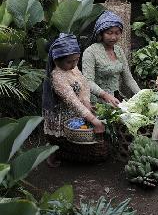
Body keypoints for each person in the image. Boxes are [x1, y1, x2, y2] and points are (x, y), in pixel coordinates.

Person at [42, 33, 105, 167]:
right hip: (61, 113)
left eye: (76, 60)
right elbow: (72, 101)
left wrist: (87, 102)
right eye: (69, 61)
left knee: (75, 138)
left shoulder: (73, 68)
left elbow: (84, 85)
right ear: (56, 60)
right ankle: (52, 153)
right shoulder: (57, 77)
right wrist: (93, 119)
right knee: (59, 140)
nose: (74, 64)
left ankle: (69, 153)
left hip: (75, 110)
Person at [82, 11, 140, 107]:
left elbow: (128, 78)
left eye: (117, 33)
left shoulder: (119, 50)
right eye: (109, 33)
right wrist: (105, 95)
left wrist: (141, 94)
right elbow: (88, 81)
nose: (113, 37)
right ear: (101, 33)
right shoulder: (90, 52)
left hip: (116, 99)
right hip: (96, 103)